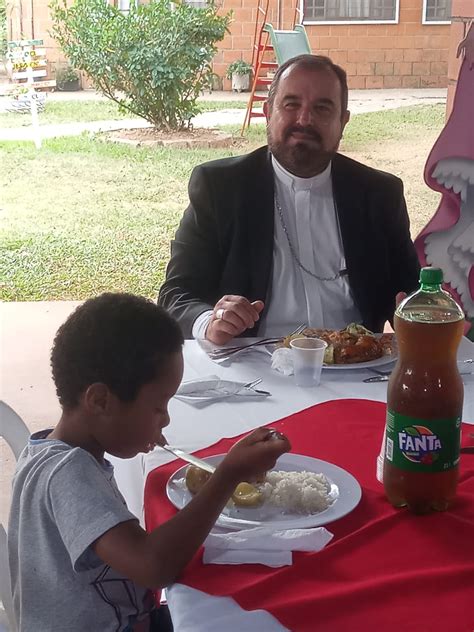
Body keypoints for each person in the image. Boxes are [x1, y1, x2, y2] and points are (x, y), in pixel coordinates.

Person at [7, 293, 290, 632]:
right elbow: (153, 567)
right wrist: (228, 475)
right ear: (100, 401)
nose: (165, 420)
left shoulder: (55, 452)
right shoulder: (67, 474)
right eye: (158, 407)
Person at [159, 54, 420, 345]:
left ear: (343, 121)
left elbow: (412, 291)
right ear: (268, 112)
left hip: (357, 365)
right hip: (254, 363)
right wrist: (210, 321)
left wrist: (415, 307)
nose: (304, 120)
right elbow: (176, 294)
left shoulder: (378, 193)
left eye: (322, 108)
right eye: (291, 104)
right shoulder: (220, 188)